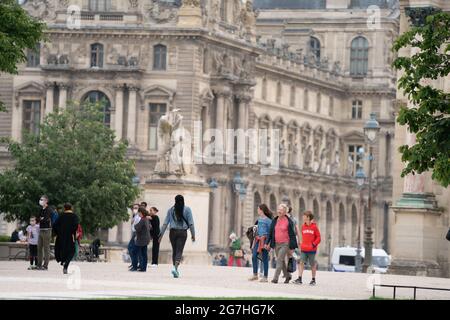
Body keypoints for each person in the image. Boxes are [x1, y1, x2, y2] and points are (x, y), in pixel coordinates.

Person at [159, 195, 195, 278]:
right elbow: (191, 223)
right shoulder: (187, 209)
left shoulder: (170, 210)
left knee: (174, 250)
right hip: (182, 232)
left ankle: (175, 269)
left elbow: (165, 223)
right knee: (179, 250)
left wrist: (160, 235)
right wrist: (193, 234)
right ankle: (175, 268)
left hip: (172, 232)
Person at [265, 203, 298, 284]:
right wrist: (267, 243)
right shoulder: (275, 220)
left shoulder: (289, 221)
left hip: (285, 244)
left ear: (285, 211)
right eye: (278, 209)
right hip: (276, 243)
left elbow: (292, 234)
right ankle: (288, 275)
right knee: (281, 261)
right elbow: (270, 232)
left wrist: (293, 247)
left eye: (281, 210)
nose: (279, 211)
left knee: (279, 259)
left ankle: (275, 278)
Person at [294, 211, 321, 285]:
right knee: (301, 263)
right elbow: (304, 237)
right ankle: (299, 278)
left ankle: (313, 279)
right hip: (304, 249)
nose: (303, 217)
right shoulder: (303, 226)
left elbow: (319, 238)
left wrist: (313, 244)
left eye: (304, 216)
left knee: (312, 264)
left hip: (312, 250)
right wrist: (302, 244)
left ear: (308, 217)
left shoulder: (314, 227)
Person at [249, 204, 273, 282]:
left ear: (261, 210)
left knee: (265, 258)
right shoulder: (259, 219)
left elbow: (271, 232)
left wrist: (269, 243)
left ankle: (265, 277)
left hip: (265, 240)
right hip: (258, 240)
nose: (257, 210)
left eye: (258, 209)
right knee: (254, 256)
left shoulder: (269, 221)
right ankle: (255, 274)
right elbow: (257, 229)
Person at [53, 203, 79, 274]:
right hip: (70, 236)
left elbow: (55, 225)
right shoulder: (74, 216)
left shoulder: (61, 216)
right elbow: (76, 226)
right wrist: (72, 232)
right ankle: (66, 264)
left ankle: (63, 262)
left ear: (64, 208)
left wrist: (59, 232)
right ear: (71, 208)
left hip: (61, 237)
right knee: (72, 251)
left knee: (62, 250)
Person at [132, 207, 151, 272]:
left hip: (141, 239)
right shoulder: (146, 219)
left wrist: (134, 225)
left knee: (134, 252)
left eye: (139, 213)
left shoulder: (143, 219)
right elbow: (150, 227)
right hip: (146, 238)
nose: (138, 214)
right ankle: (143, 268)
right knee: (144, 253)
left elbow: (137, 227)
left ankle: (134, 267)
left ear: (141, 212)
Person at [37, 195, 52, 271]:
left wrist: (41, 218)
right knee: (39, 247)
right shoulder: (41, 209)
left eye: (42, 199)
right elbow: (37, 218)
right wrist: (41, 218)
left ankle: (45, 265)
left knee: (46, 248)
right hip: (41, 230)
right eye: (40, 199)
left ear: (46, 201)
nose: (40, 201)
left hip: (47, 230)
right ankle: (39, 264)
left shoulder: (49, 209)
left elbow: (46, 219)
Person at [128, 204, 140, 270]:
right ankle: (134, 263)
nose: (134, 209)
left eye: (136, 208)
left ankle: (135, 264)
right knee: (132, 249)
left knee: (132, 248)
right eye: (133, 208)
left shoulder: (139, 216)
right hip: (134, 233)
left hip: (136, 233)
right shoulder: (135, 216)